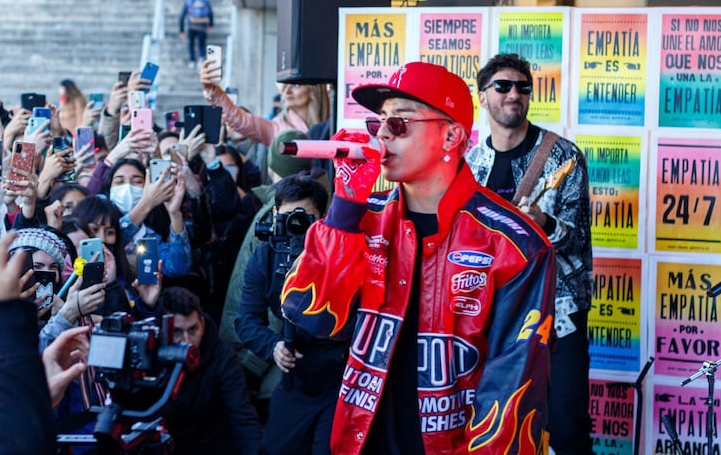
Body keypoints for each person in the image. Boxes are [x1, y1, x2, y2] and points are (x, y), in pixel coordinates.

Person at [281, 61, 556, 454]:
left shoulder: (516, 243)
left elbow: (512, 390)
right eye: (379, 124)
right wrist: (343, 208)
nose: (383, 137)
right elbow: (314, 316)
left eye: (401, 123)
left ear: (451, 136)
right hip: (363, 440)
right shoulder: (362, 218)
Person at [465, 53, 593, 455]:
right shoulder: (469, 163)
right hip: (492, 313)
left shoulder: (563, 157)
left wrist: (543, 223)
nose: (513, 94)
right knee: (496, 419)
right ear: (483, 97)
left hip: (558, 312)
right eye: (502, 86)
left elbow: (577, 241)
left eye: (522, 87)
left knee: (565, 421)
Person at [235, 173, 345, 454]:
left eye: (304, 219)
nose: (296, 226)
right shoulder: (265, 256)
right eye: (288, 217)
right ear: (274, 215)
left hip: (341, 376)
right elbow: (246, 320)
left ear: (322, 217)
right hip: (296, 374)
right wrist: (273, 347)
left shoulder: (342, 253)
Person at [159, 286, 262, 454]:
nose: (187, 341)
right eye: (177, 332)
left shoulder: (222, 357)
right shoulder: (151, 355)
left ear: (202, 324)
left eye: (193, 330)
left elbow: (241, 417)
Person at [200, 62, 331, 148]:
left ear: (314, 92)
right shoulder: (276, 128)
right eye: (286, 84)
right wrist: (212, 91)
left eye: (296, 85)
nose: (287, 90)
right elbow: (240, 120)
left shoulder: (333, 123)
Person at [179, 0, 213, 67]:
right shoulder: (205, 1)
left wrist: (181, 30)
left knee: (191, 43)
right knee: (202, 43)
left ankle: (192, 60)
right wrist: (211, 25)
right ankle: (201, 58)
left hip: (192, 26)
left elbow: (182, 16)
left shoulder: (188, 2)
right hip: (202, 26)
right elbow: (210, 14)